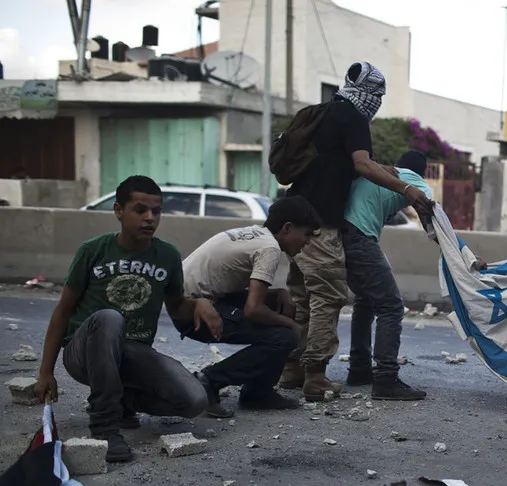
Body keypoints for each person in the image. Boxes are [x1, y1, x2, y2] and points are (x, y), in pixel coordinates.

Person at [34, 175, 218, 463]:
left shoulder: (167, 256)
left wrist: (201, 303)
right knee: (109, 318)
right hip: (85, 352)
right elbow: (63, 311)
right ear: (118, 211)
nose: (150, 218)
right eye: (140, 210)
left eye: (156, 212)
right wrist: (46, 372)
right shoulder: (93, 251)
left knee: (194, 400)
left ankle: (123, 401)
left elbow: (177, 307)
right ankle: (105, 425)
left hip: (133, 353)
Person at [283, 61, 434, 401]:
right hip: (320, 223)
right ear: (368, 93)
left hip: (293, 218)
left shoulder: (323, 113)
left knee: (303, 301)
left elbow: (342, 167)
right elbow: (360, 164)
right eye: (377, 95)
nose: (377, 103)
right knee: (328, 299)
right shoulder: (353, 117)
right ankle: (318, 377)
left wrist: (385, 169)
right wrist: (406, 190)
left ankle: (291, 370)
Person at [174, 196, 322, 415]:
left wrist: (278, 293)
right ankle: (209, 380)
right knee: (284, 336)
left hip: (188, 301)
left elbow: (244, 294)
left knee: (278, 312)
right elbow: (253, 309)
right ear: (287, 228)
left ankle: (258, 392)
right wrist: (293, 327)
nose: (307, 242)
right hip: (192, 311)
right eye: (306, 234)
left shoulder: (256, 234)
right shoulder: (270, 249)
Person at [341, 151, 433, 400]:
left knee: (365, 299)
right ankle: (385, 378)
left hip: (339, 232)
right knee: (391, 305)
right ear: (422, 172)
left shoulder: (375, 171)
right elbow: (433, 225)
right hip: (360, 235)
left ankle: (359, 369)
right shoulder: (417, 183)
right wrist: (463, 255)